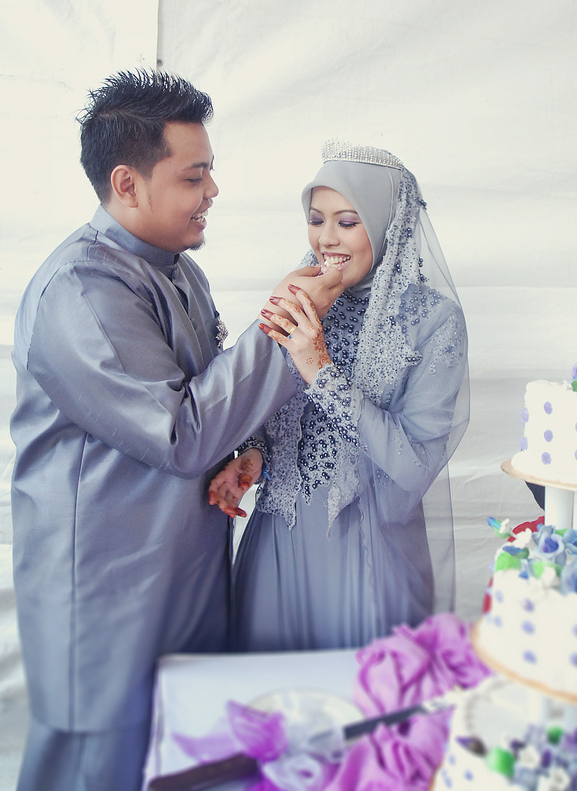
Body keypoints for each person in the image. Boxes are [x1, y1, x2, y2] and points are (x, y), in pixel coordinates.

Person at [9, 70, 343, 791]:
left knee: (180, 762)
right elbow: (178, 433)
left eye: (211, 172)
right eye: (195, 176)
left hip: (181, 578)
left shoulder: (177, 273)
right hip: (110, 598)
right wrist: (288, 318)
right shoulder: (81, 291)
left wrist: (244, 451)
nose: (213, 192)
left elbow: (205, 405)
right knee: (101, 771)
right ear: (127, 185)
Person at [210, 140, 469, 651]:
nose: (326, 238)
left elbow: (415, 464)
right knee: (271, 707)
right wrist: (255, 455)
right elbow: (271, 409)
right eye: (316, 219)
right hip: (276, 543)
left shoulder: (433, 321)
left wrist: (319, 369)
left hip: (370, 553)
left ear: (387, 223)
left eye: (347, 221)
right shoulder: (300, 295)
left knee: (360, 714)